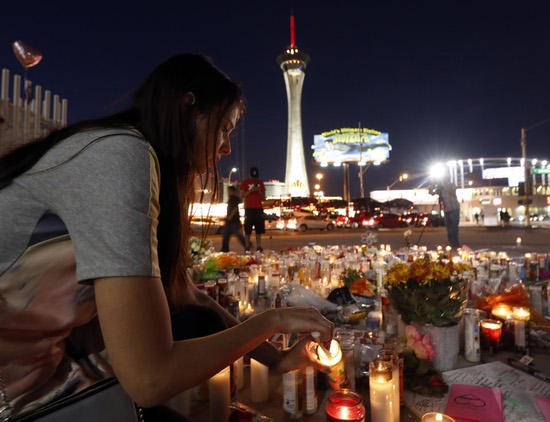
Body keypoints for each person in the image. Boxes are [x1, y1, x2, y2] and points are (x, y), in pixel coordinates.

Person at [0, 54, 333, 419]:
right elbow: (149, 378)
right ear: (188, 107)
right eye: (224, 128)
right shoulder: (119, 154)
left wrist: (277, 358)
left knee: (199, 320)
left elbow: (183, 292)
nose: (225, 148)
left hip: (51, 362)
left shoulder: (134, 155)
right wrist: (272, 320)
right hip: (17, 392)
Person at [240, 166, 266, 252]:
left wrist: (259, 191)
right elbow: (242, 195)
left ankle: (259, 246)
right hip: (249, 208)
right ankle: (247, 246)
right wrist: (251, 190)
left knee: (259, 229)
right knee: (248, 229)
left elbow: (263, 197)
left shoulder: (260, 183)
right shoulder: (245, 182)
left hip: (258, 208)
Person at [434, 181, 461, 248]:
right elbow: (431, 193)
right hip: (446, 210)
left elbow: (453, 193)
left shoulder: (451, 184)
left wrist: (444, 186)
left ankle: (456, 243)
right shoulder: (440, 188)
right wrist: (432, 184)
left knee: (454, 227)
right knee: (448, 228)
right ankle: (451, 242)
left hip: (454, 208)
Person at [220, 185, 246, 252]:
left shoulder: (234, 199)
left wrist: (229, 217)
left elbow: (235, 209)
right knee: (226, 235)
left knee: (238, 235)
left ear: (232, 191)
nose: (228, 192)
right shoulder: (230, 199)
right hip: (230, 221)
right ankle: (225, 249)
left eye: (229, 191)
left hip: (234, 221)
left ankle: (247, 245)